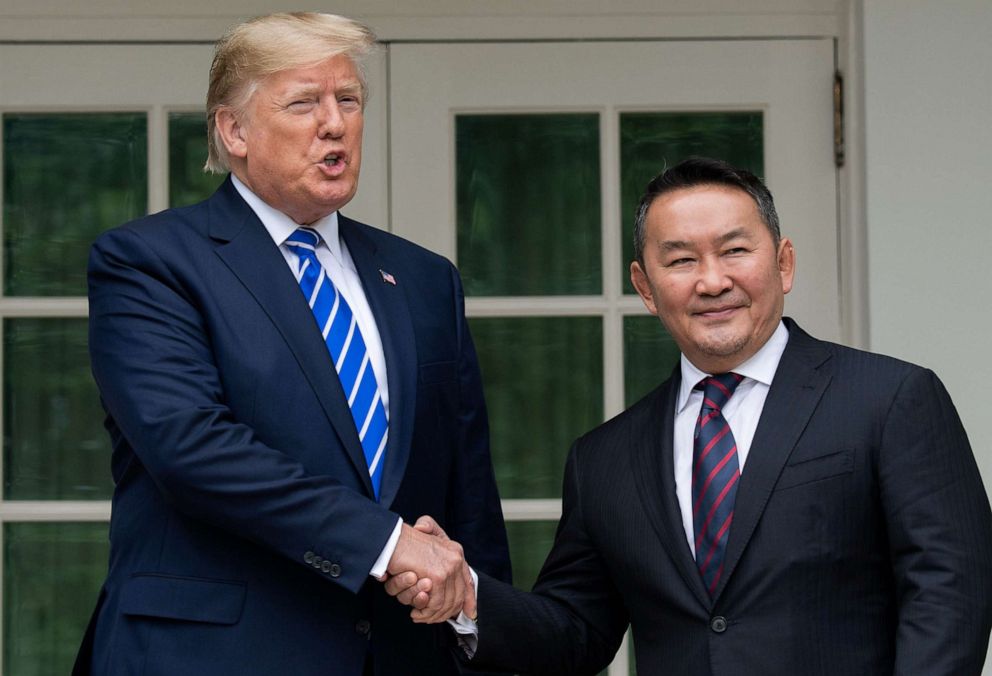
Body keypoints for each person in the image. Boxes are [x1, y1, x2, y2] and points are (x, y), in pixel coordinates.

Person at [389, 157, 992, 674]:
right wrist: (468, 594)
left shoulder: (891, 399)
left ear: (783, 263)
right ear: (645, 287)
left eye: (735, 250)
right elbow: (576, 632)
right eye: (679, 261)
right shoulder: (604, 459)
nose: (712, 281)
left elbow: (951, 593)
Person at [73, 12, 509, 676]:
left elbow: (466, 493)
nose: (334, 123)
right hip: (210, 656)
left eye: (349, 100)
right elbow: (192, 448)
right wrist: (388, 545)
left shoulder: (423, 279)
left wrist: (479, 623)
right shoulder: (149, 262)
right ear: (234, 130)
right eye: (304, 102)